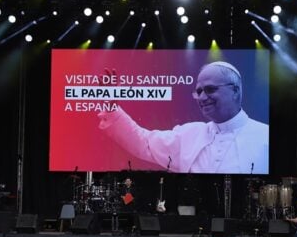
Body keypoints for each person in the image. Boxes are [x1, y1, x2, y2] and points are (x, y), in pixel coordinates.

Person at [98, 61, 269, 174]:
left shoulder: (265, 136)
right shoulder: (190, 134)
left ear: (235, 91)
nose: (202, 97)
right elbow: (143, 142)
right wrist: (111, 105)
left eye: (210, 89)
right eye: (199, 91)